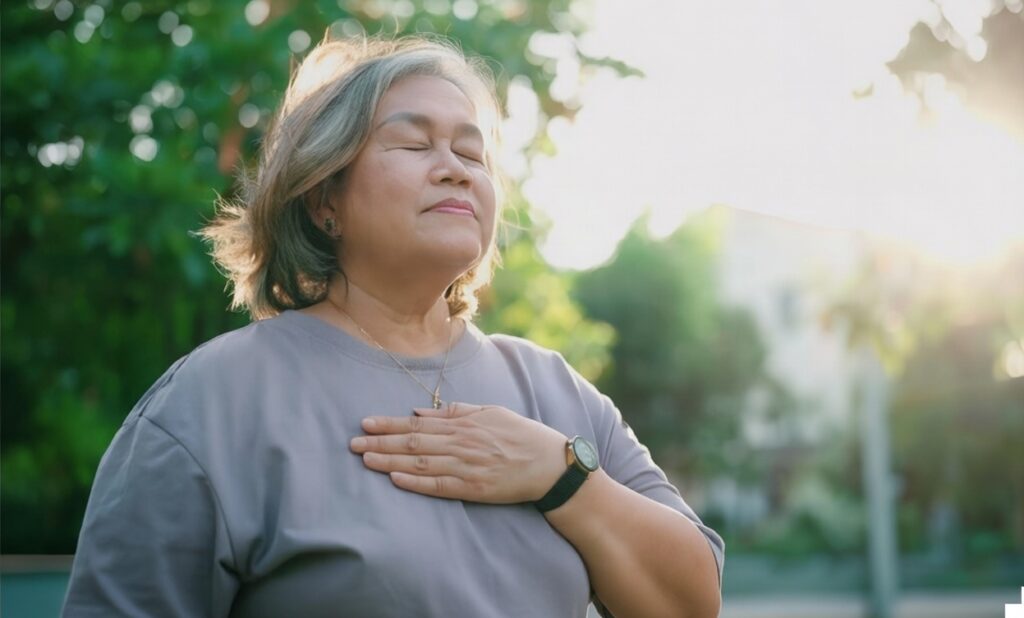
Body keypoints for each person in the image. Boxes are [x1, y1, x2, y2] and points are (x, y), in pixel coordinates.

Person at [63, 35, 724, 618]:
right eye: (414, 143)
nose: (456, 166)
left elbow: (692, 602)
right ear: (325, 197)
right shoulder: (211, 403)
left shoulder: (556, 390)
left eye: (474, 153)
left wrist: (562, 476)